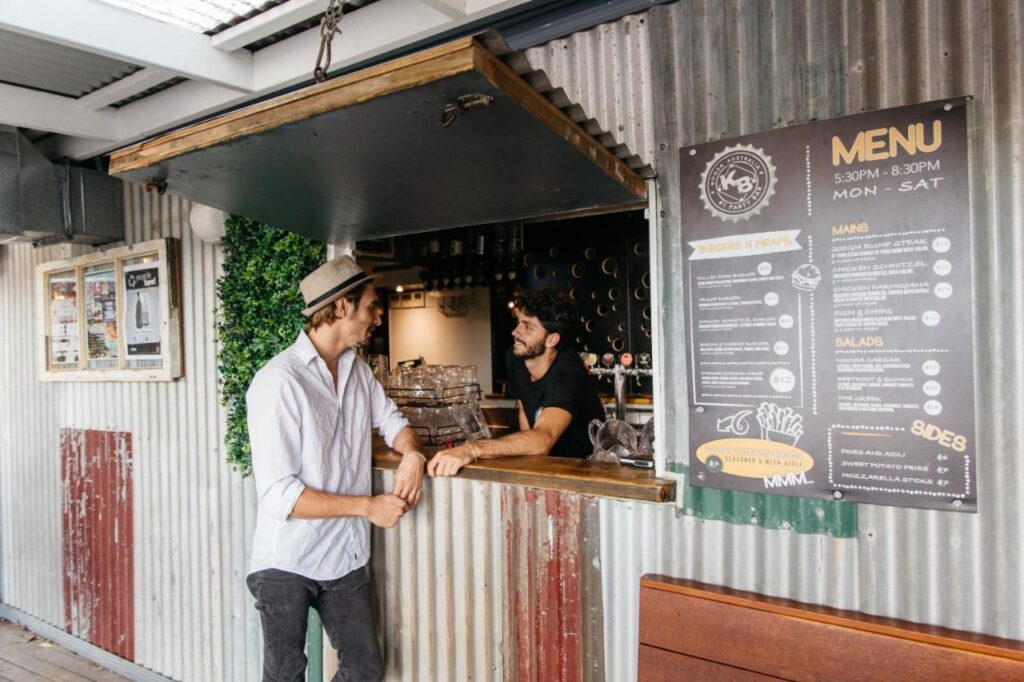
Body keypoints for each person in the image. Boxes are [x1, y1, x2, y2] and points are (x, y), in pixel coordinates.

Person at [245, 255, 426, 682]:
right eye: (371, 307)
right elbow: (280, 496)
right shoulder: (278, 381)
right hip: (285, 560)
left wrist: (414, 454)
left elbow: (396, 425)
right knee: (286, 675)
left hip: (343, 557)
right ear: (342, 308)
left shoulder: (358, 372)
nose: (378, 317)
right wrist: (367, 507)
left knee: (364, 669)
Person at [428, 288, 605, 477]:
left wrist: (472, 450)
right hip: (547, 468)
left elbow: (543, 440)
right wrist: (529, 465)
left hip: (584, 472)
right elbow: (525, 407)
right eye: (518, 322)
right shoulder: (515, 358)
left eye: (528, 327)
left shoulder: (569, 373)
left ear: (552, 339)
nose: (515, 332)